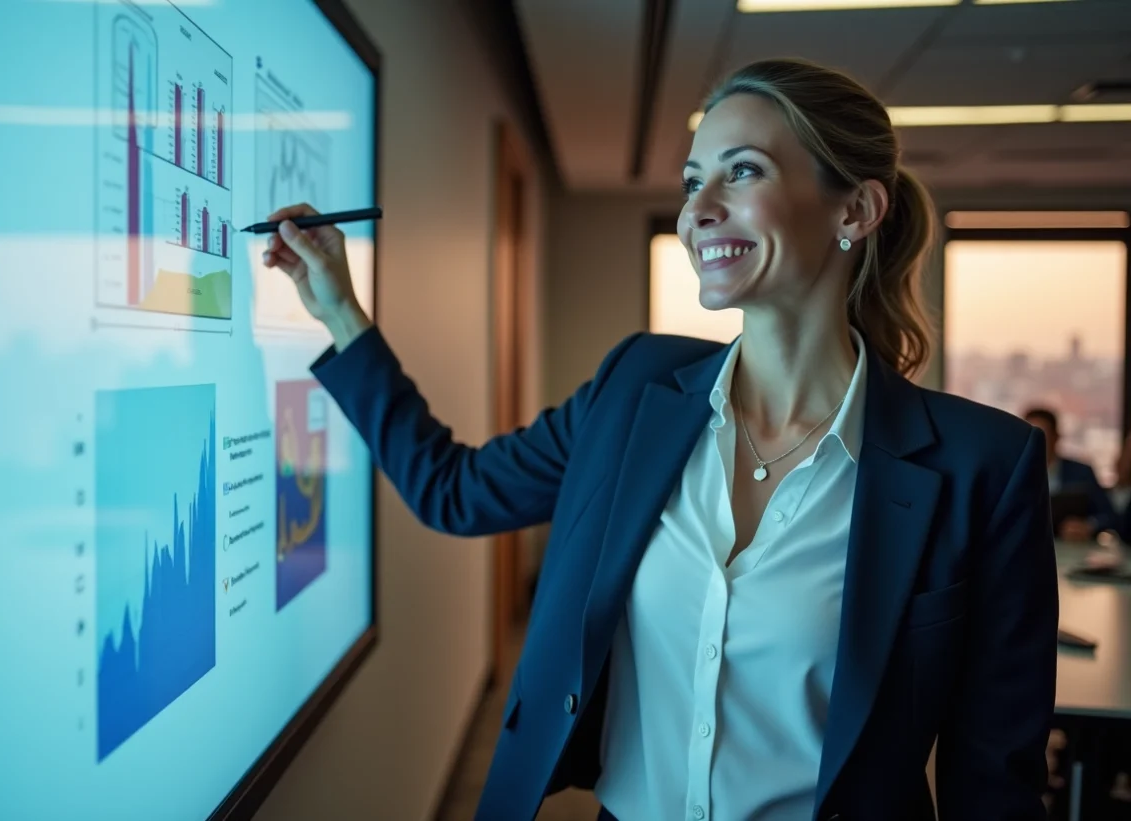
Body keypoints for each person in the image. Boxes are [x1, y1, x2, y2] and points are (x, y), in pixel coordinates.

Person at [263, 57, 1058, 821]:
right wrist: (339, 309)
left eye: (742, 172)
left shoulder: (981, 467)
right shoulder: (634, 389)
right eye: (691, 180)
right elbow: (454, 491)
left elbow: (994, 782)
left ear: (854, 211)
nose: (697, 209)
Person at [1023, 407, 1118, 540]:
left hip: (1071, 547)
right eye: (1028, 437)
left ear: (1056, 437)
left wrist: (1088, 526)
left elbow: (1109, 515)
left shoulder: (1081, 473)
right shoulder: (1014, 475)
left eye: (1041, 437)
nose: (1034, 444)